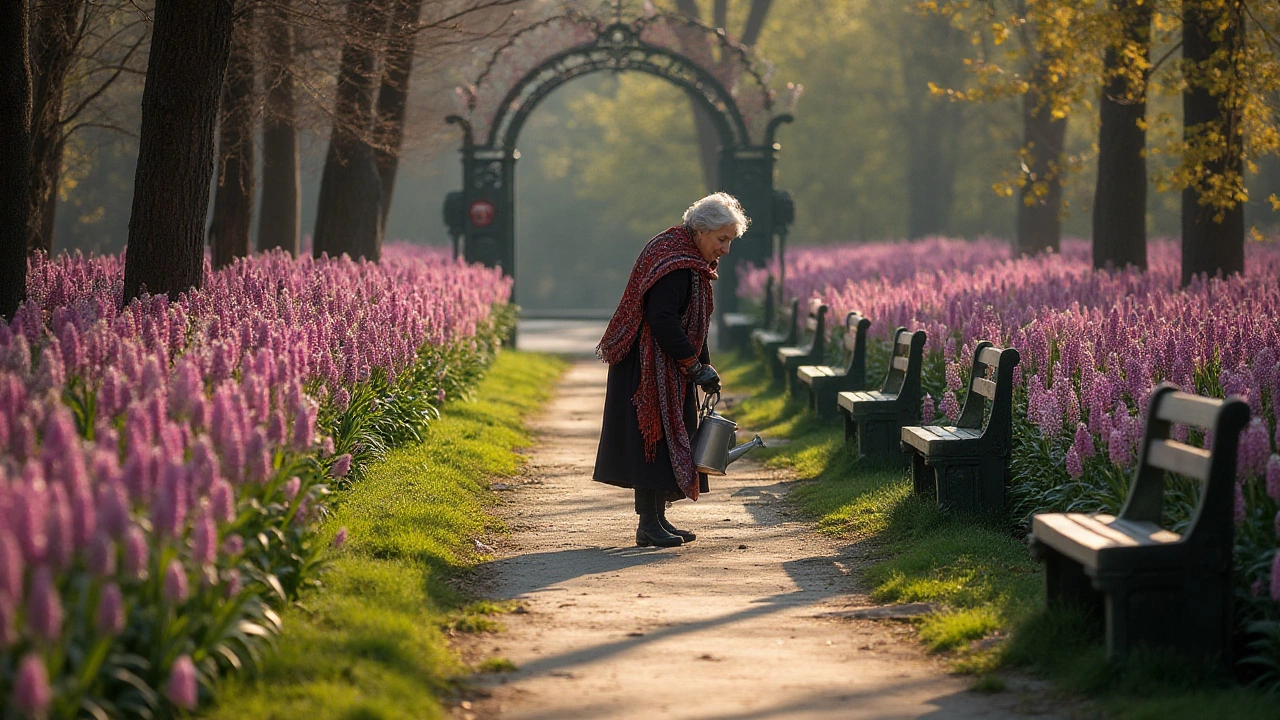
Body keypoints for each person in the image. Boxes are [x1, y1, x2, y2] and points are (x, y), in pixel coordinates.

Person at [594, 192, 750, 548]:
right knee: (652, 440)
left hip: (665, 362)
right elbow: (662, 320)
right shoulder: (675, 261)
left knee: (664, 440)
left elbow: (694, 324)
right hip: (646, 367)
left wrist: (703, 364)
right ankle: (648, 524)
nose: (725, 249)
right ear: (699, 231)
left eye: (730, 241)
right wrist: (694, 367)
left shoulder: (688, 258)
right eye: (721, 239)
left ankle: (657, 520)